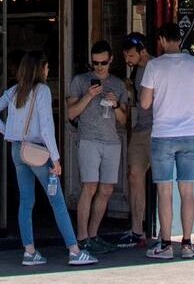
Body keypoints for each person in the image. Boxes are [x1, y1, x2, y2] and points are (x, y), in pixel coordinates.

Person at [0, 50, 96, 267]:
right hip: (38, 153)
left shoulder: (15, 91)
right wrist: (56, 158)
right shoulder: (42, 90)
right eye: (46, 66)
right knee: (57, 201)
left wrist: (9, 133)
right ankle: (74, 250)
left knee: (26, 202)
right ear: (39, 69)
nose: (48, 69)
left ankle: (30, 252)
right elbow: (46, 128)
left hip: (18, 150)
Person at [139, 23, 194, 261]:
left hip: (163, 134)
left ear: (161, 40)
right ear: (180, 39)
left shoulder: (154, 66)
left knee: (164, 191)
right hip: (190, 132)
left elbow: (145, 103)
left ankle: (166, 244)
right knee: (187, 190)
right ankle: (187, 243)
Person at [64, 41, 128, 255]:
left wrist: (116, 105)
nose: (99, 67)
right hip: (89, 139)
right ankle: (82, 237)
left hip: (111, 141)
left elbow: (124, 120)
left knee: (107, 189)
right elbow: (71, 113)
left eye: (102, 63)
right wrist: (89, 95)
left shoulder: (118, 84)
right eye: (94, 63)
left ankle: (93, 234)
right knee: (89, 187)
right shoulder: (80, 81)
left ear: (111, 60)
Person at [115, 32, 154, 250]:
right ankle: (137, 230)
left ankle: (165, 235)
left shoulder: (156, 67)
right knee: (134, 174)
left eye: (130, 55)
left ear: (142, 50)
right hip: (141, 128)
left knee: (163, 181)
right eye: (125, 56)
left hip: (159, 128)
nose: (128, 60)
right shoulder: (138, 69)